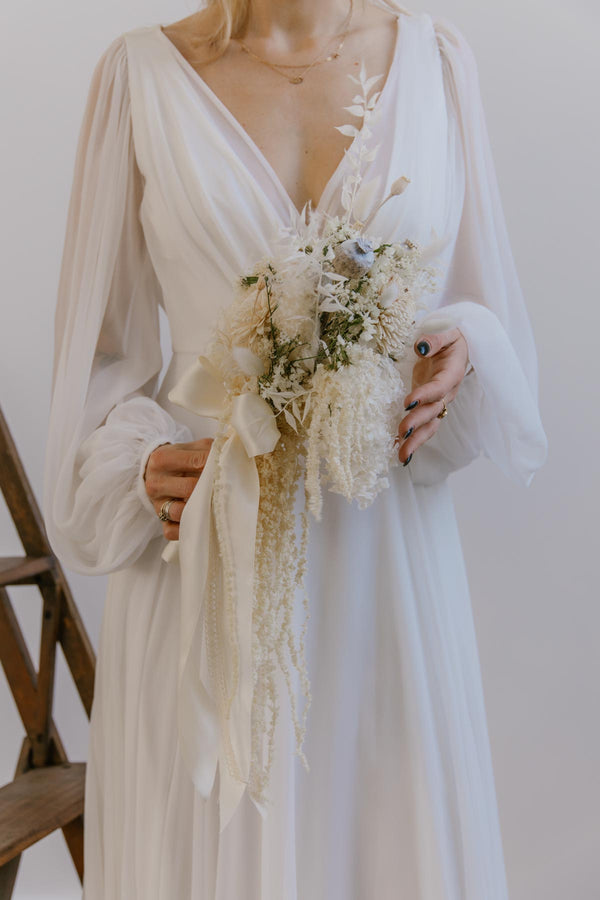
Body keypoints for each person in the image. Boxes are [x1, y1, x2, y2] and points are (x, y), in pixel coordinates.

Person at [43, 0, 548, 896]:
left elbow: (482, 302)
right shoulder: (141, 79)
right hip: (206, 570)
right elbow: (102, 363)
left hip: (387, 580)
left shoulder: (436, 63)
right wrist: (134, 462)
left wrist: (463, 348)